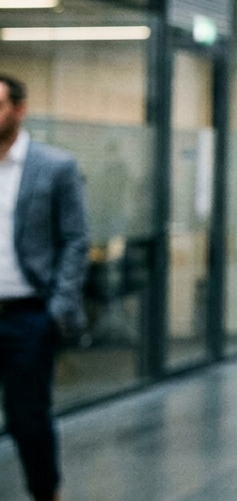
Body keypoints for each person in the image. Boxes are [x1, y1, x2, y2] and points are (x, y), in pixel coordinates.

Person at [0, 73, 87, 501]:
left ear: (19, 108)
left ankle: (46, 492)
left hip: (28, 314)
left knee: (27, 417)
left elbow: (75, 239)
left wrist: (58, 308)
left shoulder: (55, 166)